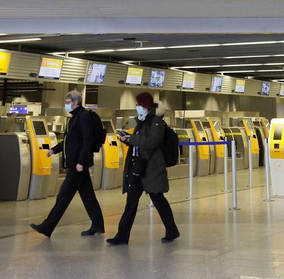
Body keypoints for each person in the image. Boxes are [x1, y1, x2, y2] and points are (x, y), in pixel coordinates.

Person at [29, 90, 105, 238]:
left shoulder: (83, 117)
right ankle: (98, 225)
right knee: (88, 196)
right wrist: (54, 149)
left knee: (63, 196)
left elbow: (87, 140)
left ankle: (47, 226)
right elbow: (70, 141)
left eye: (68, 102)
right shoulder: (75, 118)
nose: (66, 105)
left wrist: (81, 162)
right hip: (76, 163)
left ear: (76, 102)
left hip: (77, 164)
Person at [108, 92, 179, 245]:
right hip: (138, 166)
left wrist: (132, 138)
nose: (137, 107)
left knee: (158, 199)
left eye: (139, 105)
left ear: (146, 106)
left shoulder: (156, 122)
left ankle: (172, 230)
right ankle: (122, 236)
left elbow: (152, 142)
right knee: (131, 201)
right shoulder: (142, 121)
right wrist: (127, 139)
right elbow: (140, 142)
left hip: (151, 167)